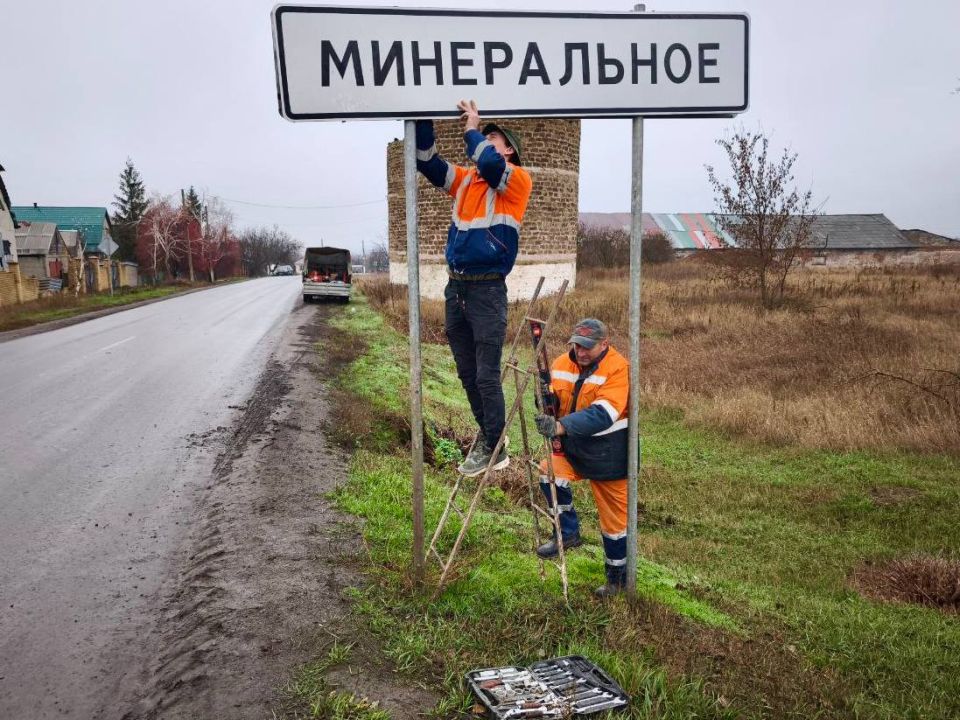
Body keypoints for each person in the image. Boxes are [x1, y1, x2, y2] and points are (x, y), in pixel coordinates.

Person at [415, 100, 533, 477]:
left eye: (491, 138)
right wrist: (421, 115)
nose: (484, 140)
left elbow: (491, 164)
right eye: (482, 137)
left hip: (487, 291)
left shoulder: (515, 179)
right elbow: (428, 163)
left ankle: (493, 443)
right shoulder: (467, 179)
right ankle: (492, 440)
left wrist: (471, 129)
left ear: (508, 148)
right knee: (467, 373)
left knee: (485, 374)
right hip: (458, 288)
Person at [534, 318, 630, 598]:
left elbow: (605, 413)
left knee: (615, 525)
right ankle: (567, 533)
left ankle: (617, 579)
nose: (581, 351)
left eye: (587, 347)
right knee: (548, 472)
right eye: (576, 345)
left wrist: (561, 426)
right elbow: (553, 400)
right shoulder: (563, 363)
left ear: (604, 344)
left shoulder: (618, 368)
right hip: (573, 450)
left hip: (609, 454)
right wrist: (544, 403)